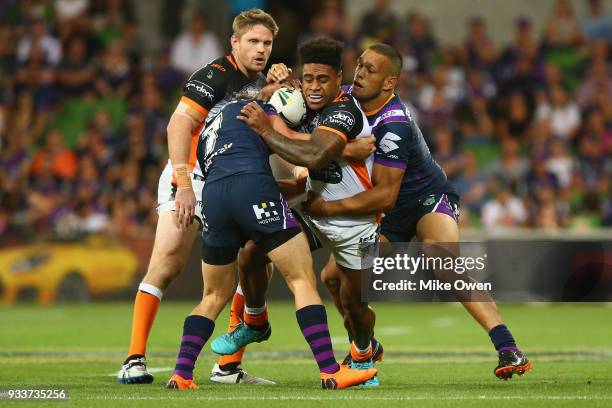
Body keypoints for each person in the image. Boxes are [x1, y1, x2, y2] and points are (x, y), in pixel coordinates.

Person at [304, 43, 532, 380]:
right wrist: (281, 83)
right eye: (360, 65)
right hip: (386, 213)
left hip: (424, 198)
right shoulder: (345, 99)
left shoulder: (394, 124)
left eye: (371, 70)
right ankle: (365, 343)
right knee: (332, 278)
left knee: (443, 262)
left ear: (389, 82)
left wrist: (326, 208)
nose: (360, 73)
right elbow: (308, 102)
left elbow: (385, 195)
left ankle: (508, 347)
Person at [117, 8, 291, 385]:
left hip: (229, 178)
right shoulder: (215, 75)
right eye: (253, 42)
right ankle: (134, 358)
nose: (261, 49)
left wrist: (276, 87)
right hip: (192, 175)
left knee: (254, 262)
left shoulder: (257, 80)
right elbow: (179, 122)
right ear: (234, 42)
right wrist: (183, 182)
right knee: (167, 262)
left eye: (267, 43)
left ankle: (227, 366)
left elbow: (255, 110)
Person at [164, 96, 377, 390]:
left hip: (212, 196)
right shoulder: (260, 109)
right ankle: (331, 371)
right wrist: (349, 148)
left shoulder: (209, 125)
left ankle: (182, 374)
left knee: (213, 295)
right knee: (301, 279)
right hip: (253, 187)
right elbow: (289, 141)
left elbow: (229, 175)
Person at [213, 37, 381, 386]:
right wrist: (274, 86)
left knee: (354, 306)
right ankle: (255, 321)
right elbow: (271, 102)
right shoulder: (300, 100)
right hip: (315, 209)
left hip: (356, 219)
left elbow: (314, 156)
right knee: (251, 254)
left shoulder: (345, 110)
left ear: (339, 78)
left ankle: (363, 353)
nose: (314, 87)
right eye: (308, 79)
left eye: (323, 79)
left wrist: (266, 127)